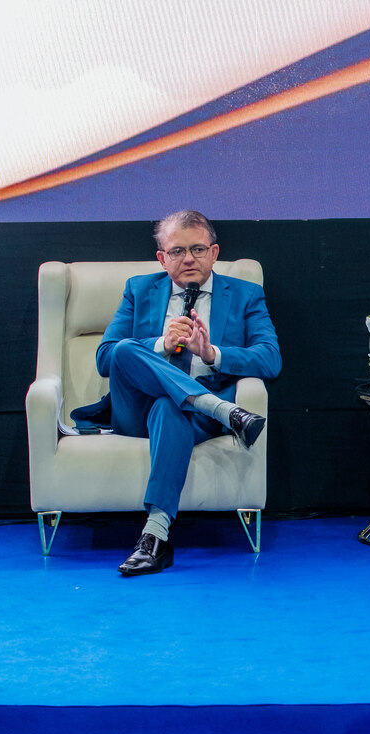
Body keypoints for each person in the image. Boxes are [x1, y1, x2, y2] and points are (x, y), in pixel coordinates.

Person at [74, 210, 281, 575]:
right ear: (162, 258)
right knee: (125, 349)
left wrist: (212, 354)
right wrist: (161, 345)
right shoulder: (139, 290)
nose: (188, 258)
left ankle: (155, 538)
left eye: (198, 249)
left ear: (214, 253)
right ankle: (222, 410)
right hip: (136, 410)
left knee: (168, 408)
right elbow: (106, 358)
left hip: (190, 417)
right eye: (177, 251)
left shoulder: (245, 295)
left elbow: (270, 359)